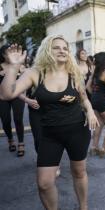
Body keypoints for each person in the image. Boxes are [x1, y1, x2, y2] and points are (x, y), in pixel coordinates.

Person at [0, 35, 99, 210]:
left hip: (77, 130)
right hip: (50, 134)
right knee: (44, 183)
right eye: (56, 47)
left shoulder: (73, 73)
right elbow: (6, 94)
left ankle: (83, 207)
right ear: (47, 50)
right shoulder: (35, 73)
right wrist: (14, 66)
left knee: (79, 171)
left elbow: (84, 99)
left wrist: (90, 112)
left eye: (65, 48)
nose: (62, 50)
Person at [0, 44, 25, 156]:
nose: (9, 54)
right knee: (5, 120)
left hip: (17, 95)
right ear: (3, 55)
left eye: (11, 51)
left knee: (18, 119)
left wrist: (21, 71)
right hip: (2, 97)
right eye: (7, 52)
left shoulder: (19, 65)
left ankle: (21, 142)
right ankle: (10, 139)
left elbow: (26, 80)